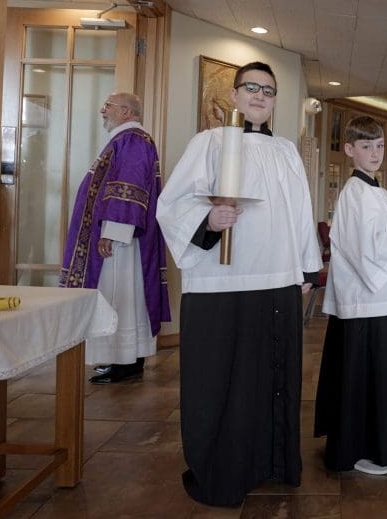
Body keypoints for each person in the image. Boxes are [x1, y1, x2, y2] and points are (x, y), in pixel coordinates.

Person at [156, 62, 322, 507]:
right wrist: (208, 219)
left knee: (272, 377)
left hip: (278, 280)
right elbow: (171, 204)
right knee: (223, 379)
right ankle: (223, 469)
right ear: (233, 94)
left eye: (268, 90)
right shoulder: (208, 142)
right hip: (222, 282)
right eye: (251, 87)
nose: (260, 95)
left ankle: (271, 462)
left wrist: (307, 269)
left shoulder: (287, 150)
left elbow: (302, 213)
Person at [314, 116, 387, 476]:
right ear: (349, 150)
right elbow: (371, 252)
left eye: (380, 145)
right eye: (366, 146)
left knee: (378, 377)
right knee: (370, 378)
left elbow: (384, 235)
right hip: (372, 306)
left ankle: (370, 444)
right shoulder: (357, 193)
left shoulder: (376, 192)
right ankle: (364, 448)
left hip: (384, 303)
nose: (375, 153)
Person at [59, 92, 171, 384]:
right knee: (120, 295)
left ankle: (127, 360)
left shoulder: (132, 140)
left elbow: (129, 187)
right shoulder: (126, 139)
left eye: (107, 106)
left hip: (120, 239)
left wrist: (113, 233)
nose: (102, 110)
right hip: (118, 234)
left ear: (125, 111)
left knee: (121, 294)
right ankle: (123, 358)